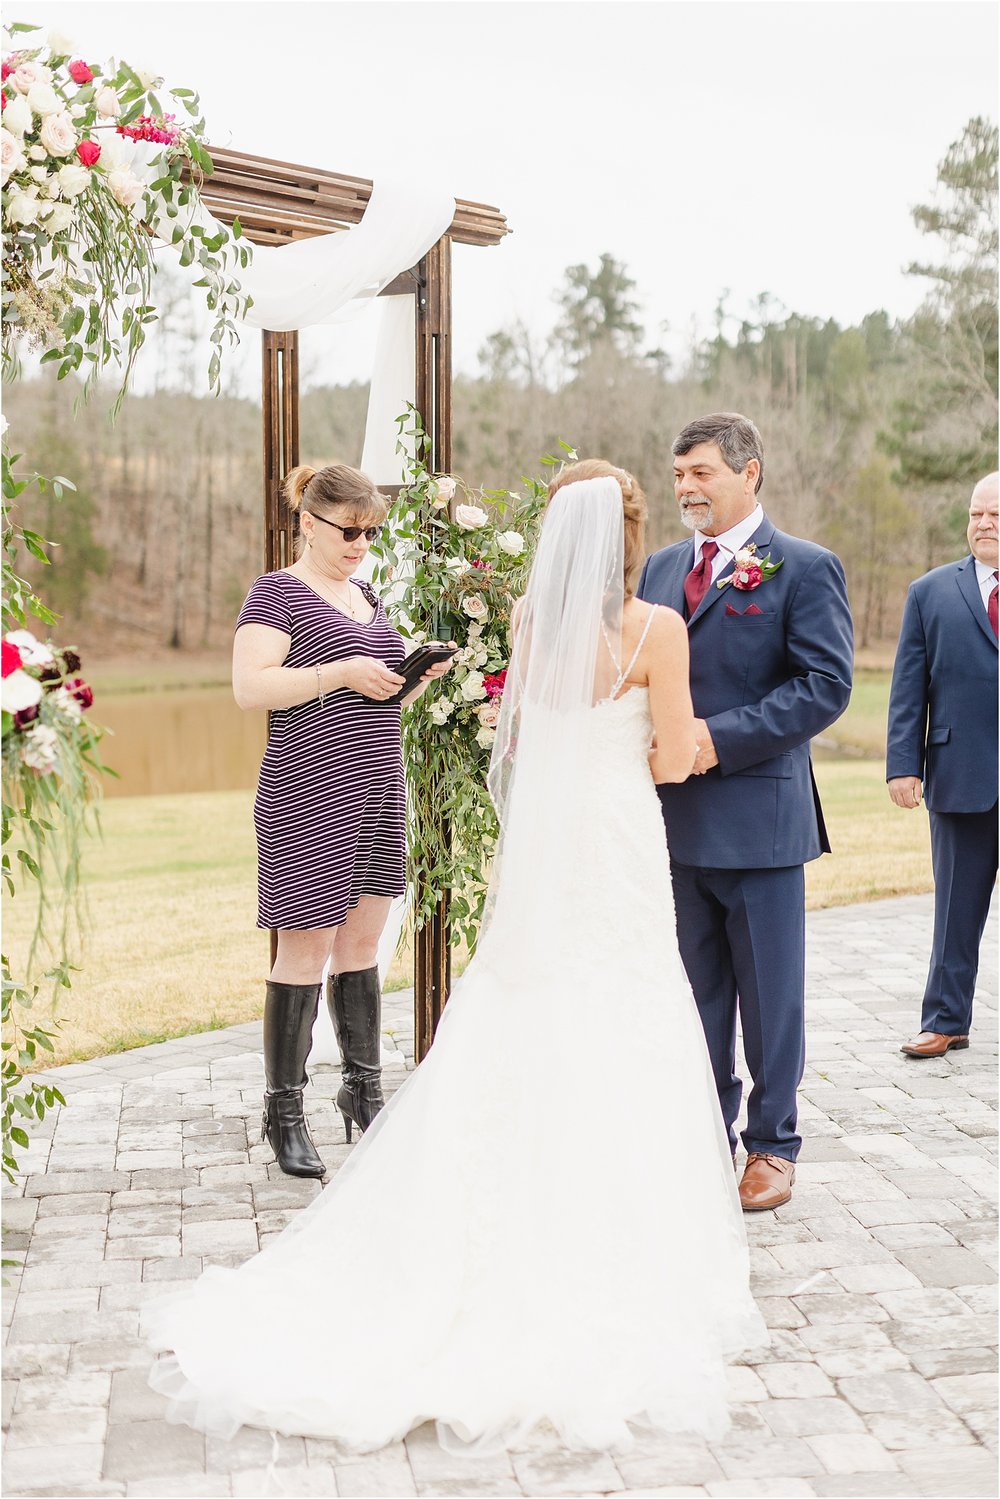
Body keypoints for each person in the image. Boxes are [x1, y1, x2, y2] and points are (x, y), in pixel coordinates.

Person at [143, 463, 765, 1453]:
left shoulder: (530, 618)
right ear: (632, 534)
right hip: (613, 837)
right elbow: (666, 753)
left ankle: (389, 1130)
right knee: (627, 1006)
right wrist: (690, 746)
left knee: (523, 1000)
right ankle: (605, 1223)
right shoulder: (657, 629)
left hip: (547, 847)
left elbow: (521, 739)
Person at [638, 413, 853, 1212]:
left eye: (701, 472)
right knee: (693, 994)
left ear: (749, 472)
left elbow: (824, 686)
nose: (687, 487)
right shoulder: (659, 569)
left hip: (761, 823)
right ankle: (704, 1131)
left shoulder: (803, 567)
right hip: (669, 824)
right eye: (679, 473)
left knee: (770, 997)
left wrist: (714, 739)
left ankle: (772, 1144)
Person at [232, 462, 454, 1180]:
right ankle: (283, 1110)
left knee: (362, 942)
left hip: (375, 788)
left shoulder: (365, 594)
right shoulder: (277, 592)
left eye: (370, 531)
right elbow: (250, 686)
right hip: (308, 790)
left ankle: (362, 1091)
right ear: (307, 522)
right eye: (349, 530)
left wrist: (410, 680)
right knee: (304, 948)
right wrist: (340, 672)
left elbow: (376, 701)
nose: (361, 543)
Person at [886, 471, 999, 1058]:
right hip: (961, 774)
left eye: (995, 515)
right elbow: (908, 689)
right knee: (955, 907)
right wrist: (902, 765)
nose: (983, 524)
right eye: (977, 514)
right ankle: (945, 1019)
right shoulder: (930, 592)